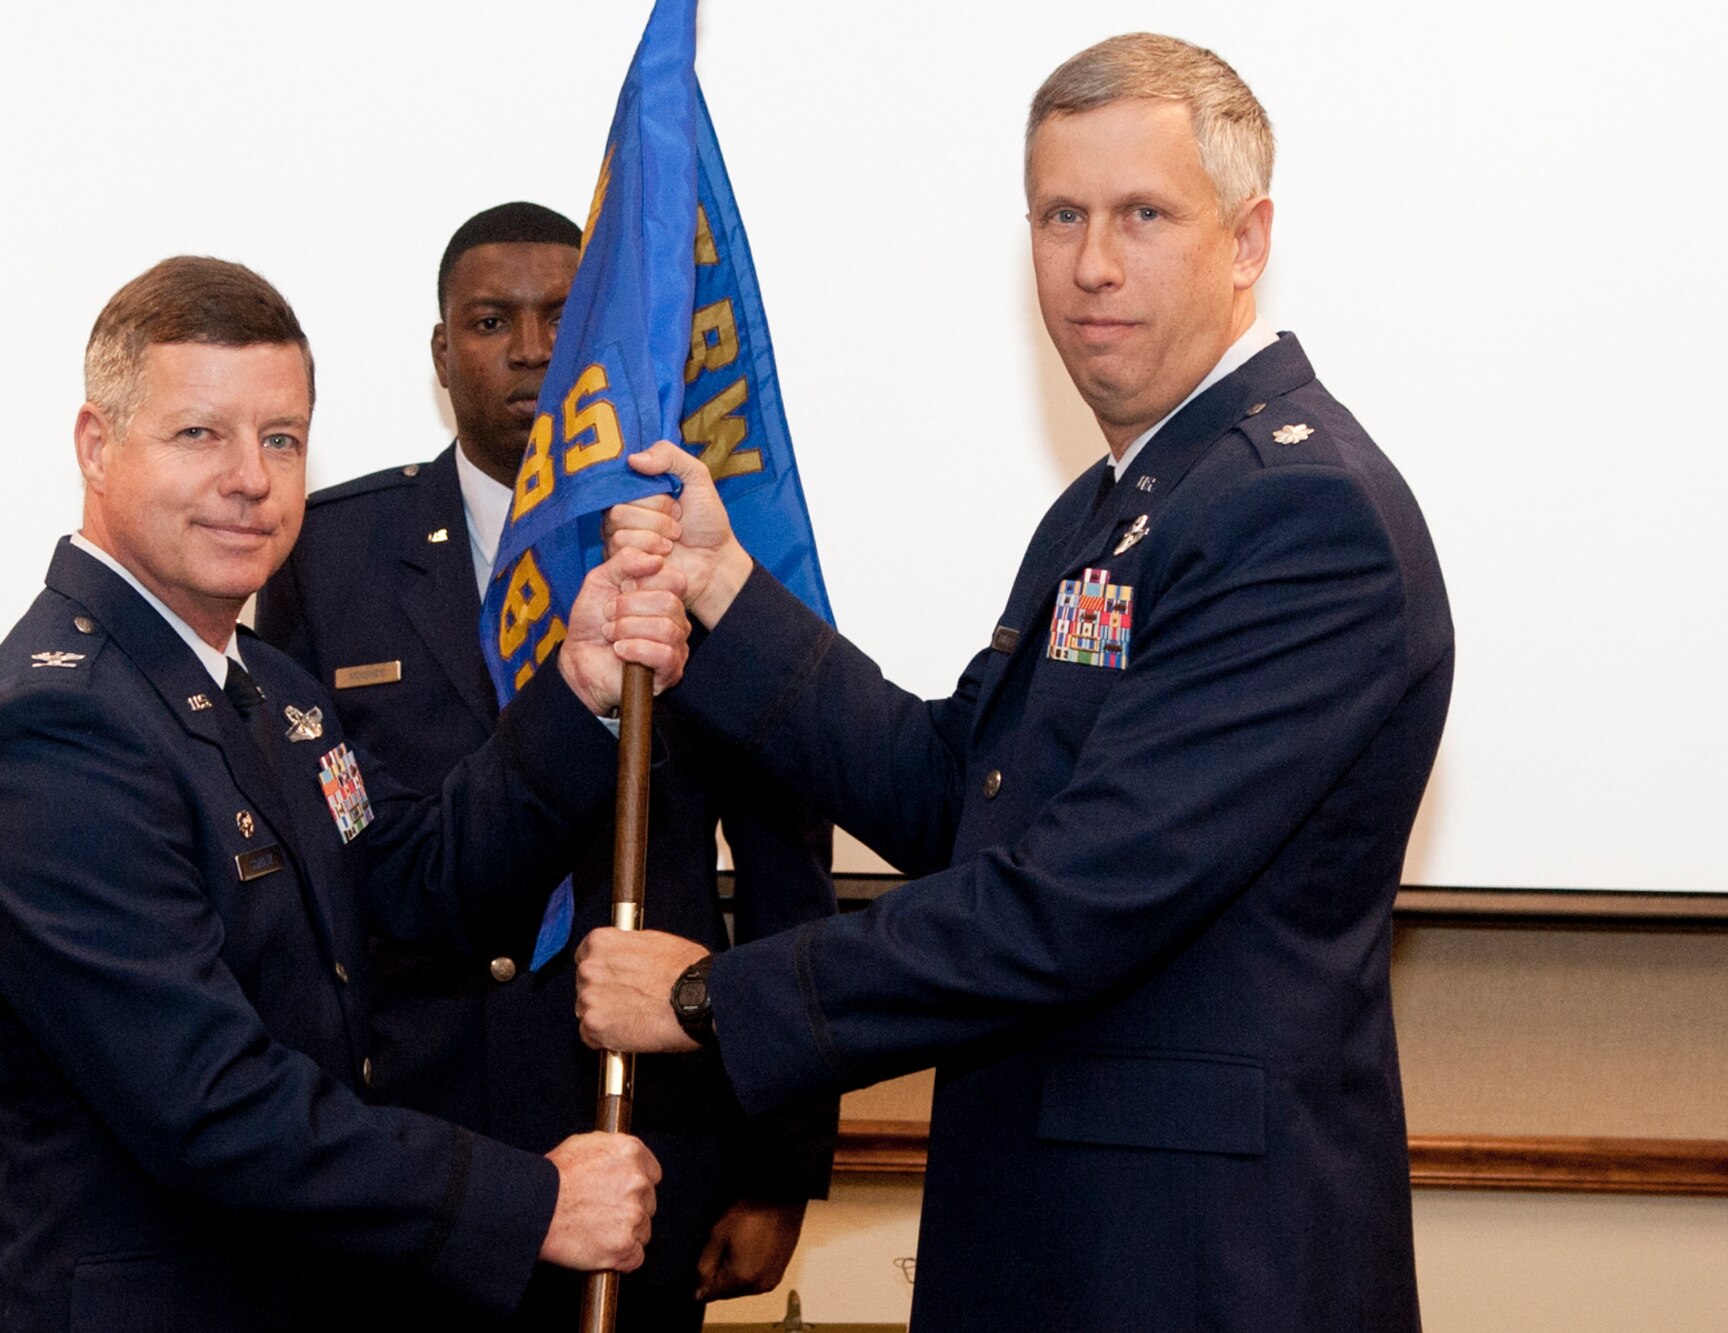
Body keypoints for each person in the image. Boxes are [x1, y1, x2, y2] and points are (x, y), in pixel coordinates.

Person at [577, 33, 1453, 1332]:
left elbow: (1077, 901)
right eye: (1060, 215)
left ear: (1248, 239)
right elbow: (960, 797)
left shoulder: (1297, 513)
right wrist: (724, 594)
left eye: (1144, 215)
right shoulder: (1114, 508)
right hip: (1065, 1232)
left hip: (1195, 1263)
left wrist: (713, 995)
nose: (1092, 262)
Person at [0, 255, 690, 1332]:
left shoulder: (268, 689)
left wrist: (577, 694)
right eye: (201, 434)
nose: (251, 477)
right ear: (98, 447)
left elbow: (414, 892)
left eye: (279, 437)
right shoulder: (58, 726)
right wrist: (530, 1200)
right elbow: (211, 1102)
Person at [258, 202, 837, 1330]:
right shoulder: (327, 557)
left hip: (639, 1147)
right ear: (441, 352)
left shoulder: (687, 554)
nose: (530, 348)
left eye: (562, 319)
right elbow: (297, 881)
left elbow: (784, 868)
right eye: (490, 319)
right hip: (410, 1156)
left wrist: (778, 1165)